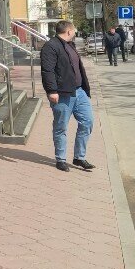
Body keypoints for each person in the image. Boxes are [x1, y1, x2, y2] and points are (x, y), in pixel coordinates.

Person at [40, 20, 95, 172]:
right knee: (61, 127)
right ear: (69, 31)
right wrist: (52, 91)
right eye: (74, 30)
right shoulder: (50, 46)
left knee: (87, 121)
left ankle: (79, 157)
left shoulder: (70, 45)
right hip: (62, 94)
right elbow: (47, 71)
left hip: (80, 92)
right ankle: (61, 159)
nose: (75, 32)